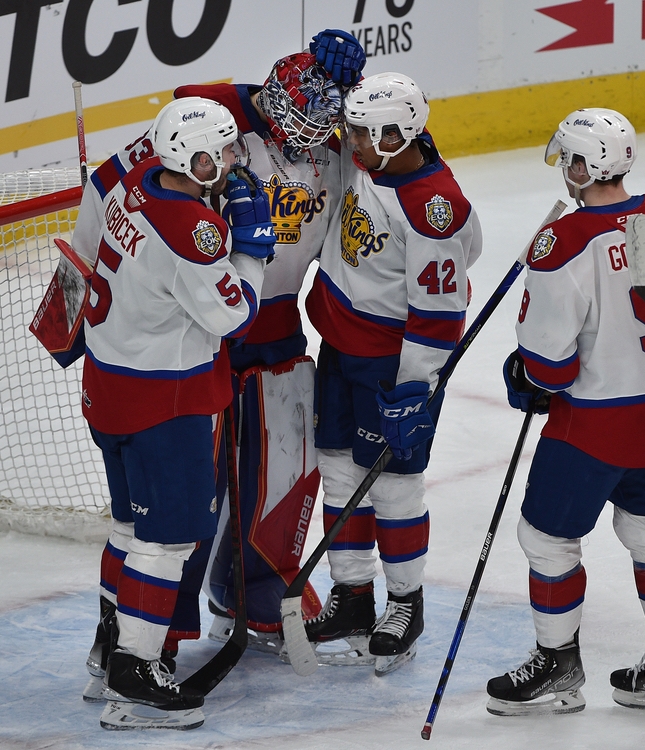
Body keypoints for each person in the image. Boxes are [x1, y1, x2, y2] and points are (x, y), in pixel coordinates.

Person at [73, 31, 365, 676]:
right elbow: (107, 188)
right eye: (289, 120)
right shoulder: (211, 125)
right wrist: (86, 287)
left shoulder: (337, 150)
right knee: (181, 496)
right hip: (195, 336)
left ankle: (256, 595)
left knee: (282, 472)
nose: (300, 138)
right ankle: (154, 635)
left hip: (279, 326)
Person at [485, 108, 645, 716]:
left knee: (545, 540)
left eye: (567, 160)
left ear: (581, 165)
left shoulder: (564, 242)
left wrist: (524, 374)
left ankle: (557, 667)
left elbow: (551, 369)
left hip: (595, 427)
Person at [77, 96, 273, 729]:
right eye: (222, 152)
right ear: (192, 156)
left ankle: (109, 649)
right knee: (167, 542)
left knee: (130, 531)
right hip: (164, 402)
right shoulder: (192, 231)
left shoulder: (135, 185)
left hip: (109, 387)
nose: (232, 161)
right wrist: (252, 249)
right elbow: (235, 314)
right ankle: (133, 675)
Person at [303, 72, 483, 675]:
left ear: (391, 135)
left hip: (391, 366)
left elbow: (439, 311)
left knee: (393, 486)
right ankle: (353, 597)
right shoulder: (370, 162)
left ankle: (407, 603)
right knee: (338, 472)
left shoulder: (432, 209)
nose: (345, 139)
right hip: (339, 349)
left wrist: (415, 388)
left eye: (357, 131)